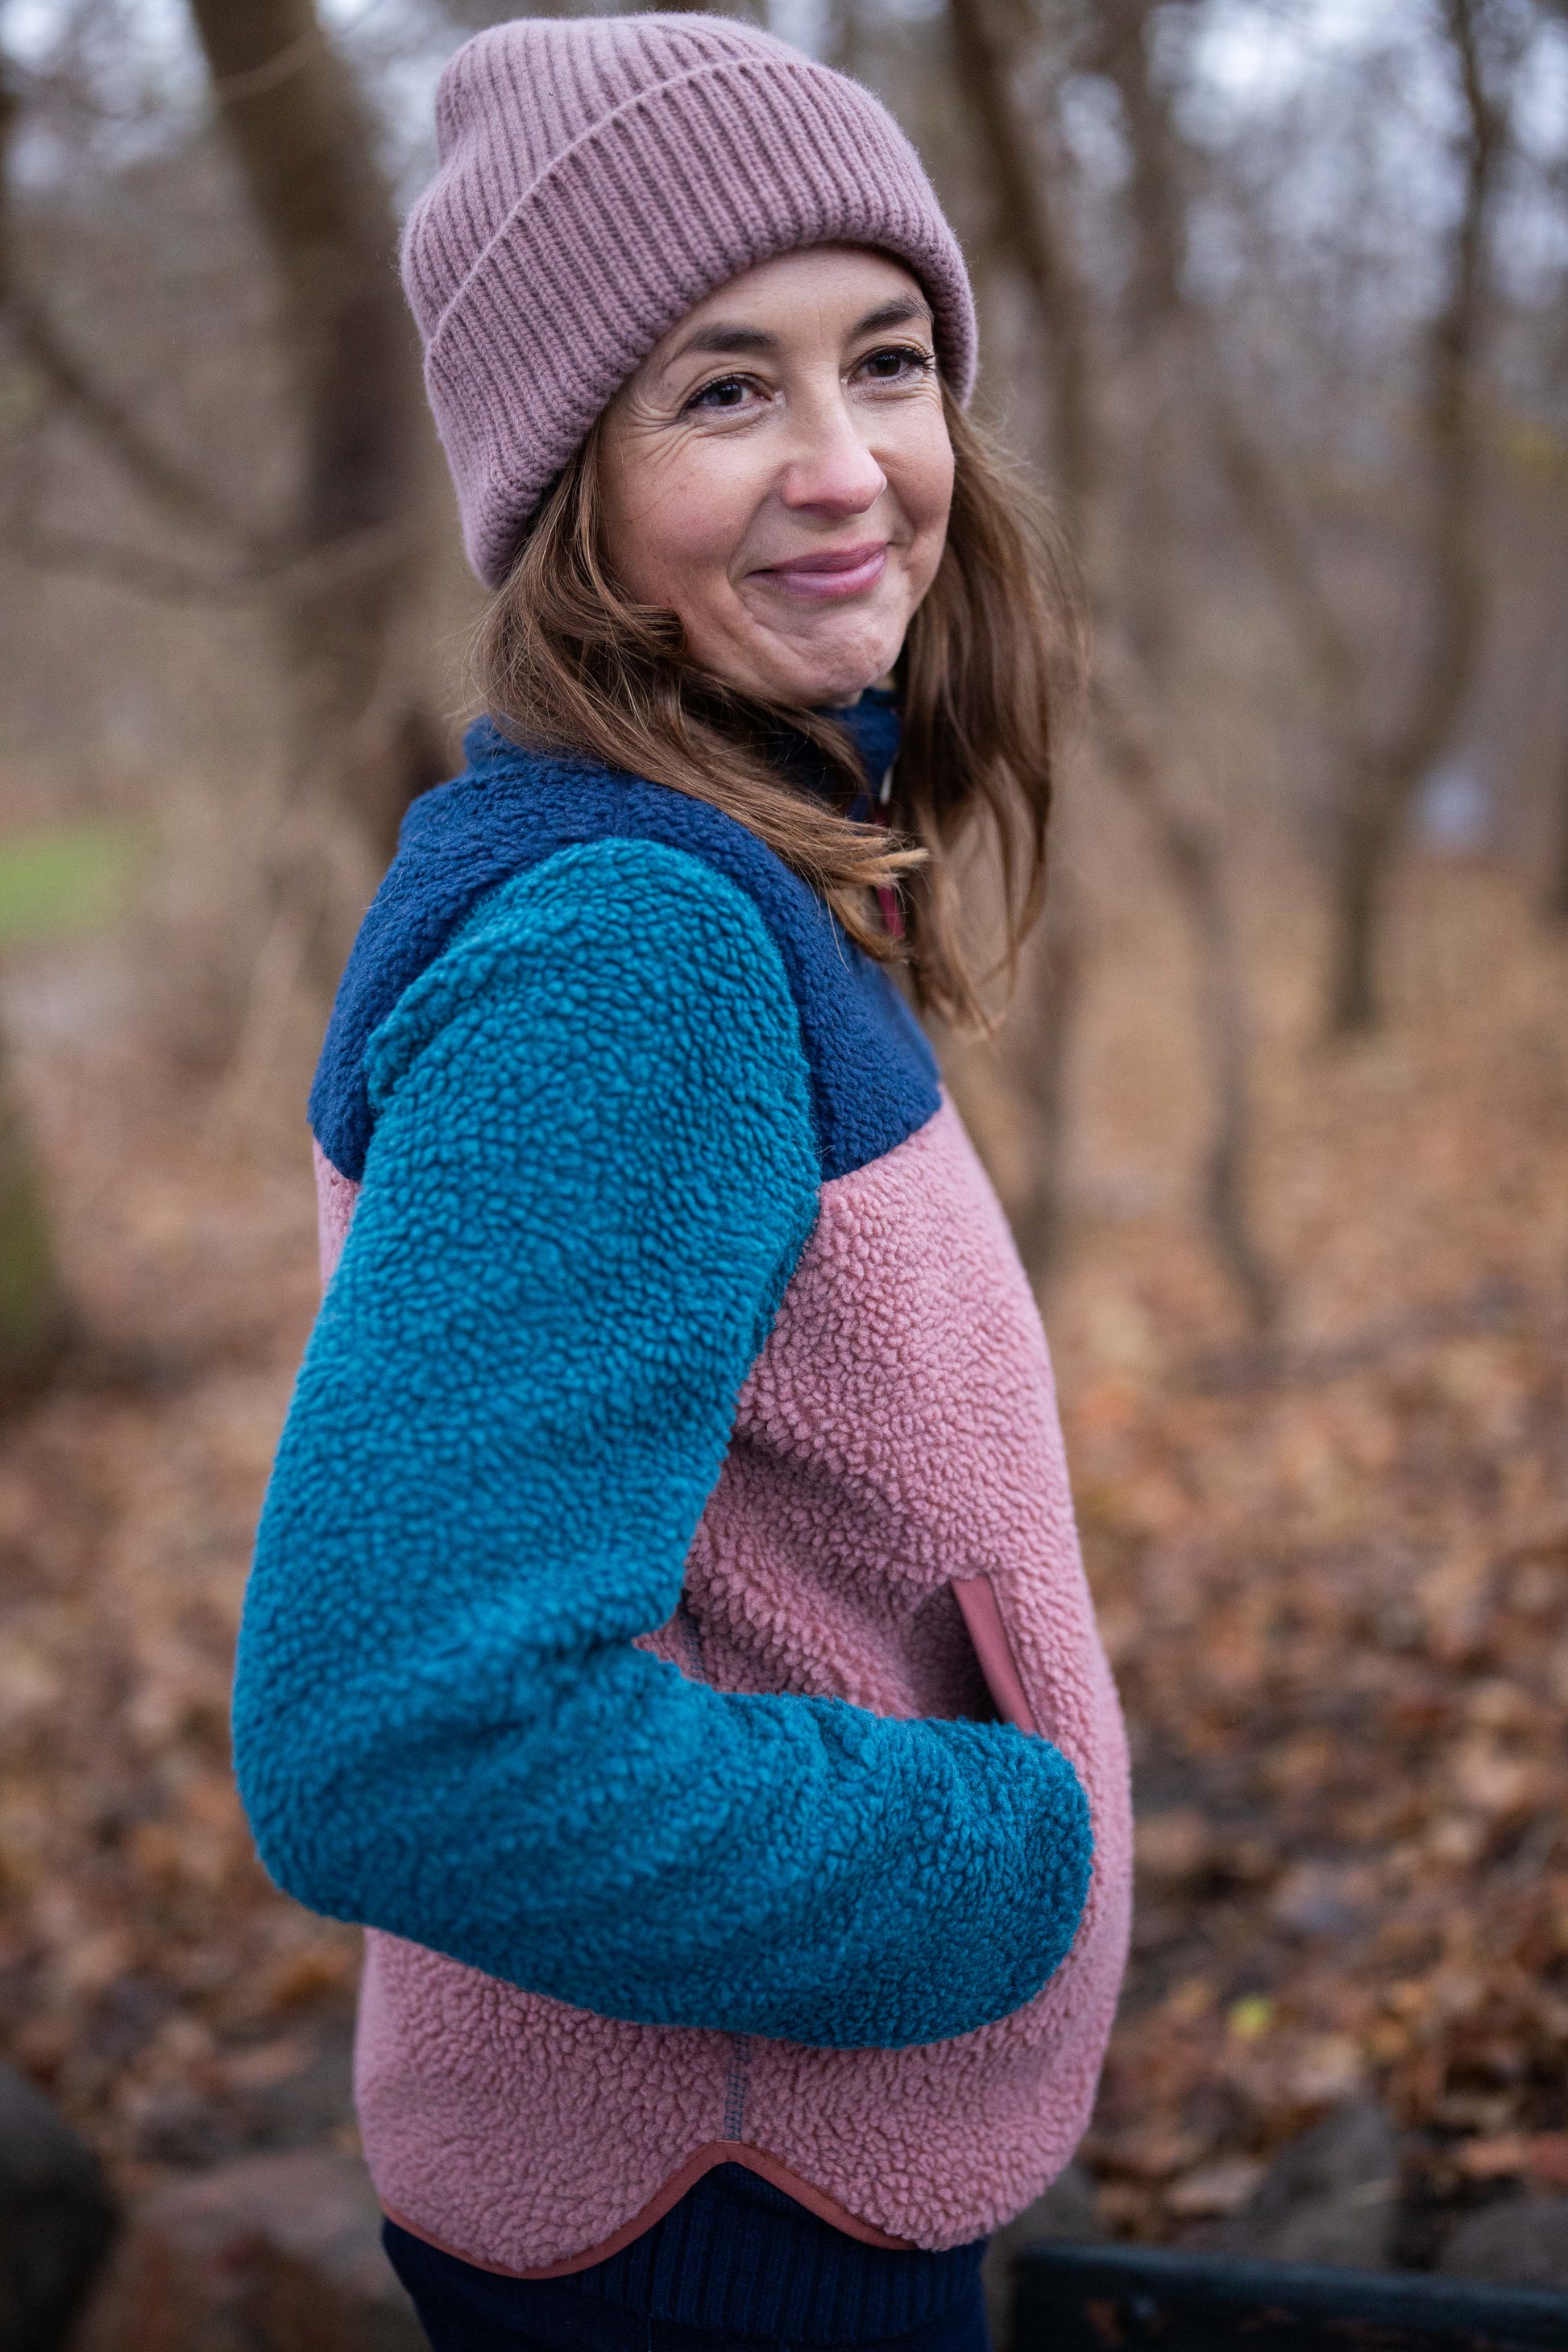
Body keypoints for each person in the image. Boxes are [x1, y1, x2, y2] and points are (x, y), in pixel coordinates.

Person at [231, 16, 1132, 2350]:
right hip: (717, 2232)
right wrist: (996, 1863)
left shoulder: (735, 870)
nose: (848, 468)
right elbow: (393, 1738)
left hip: (743, 2190)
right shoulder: (627, 957)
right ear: (572, 492)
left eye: (887, 359)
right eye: (724, 390)